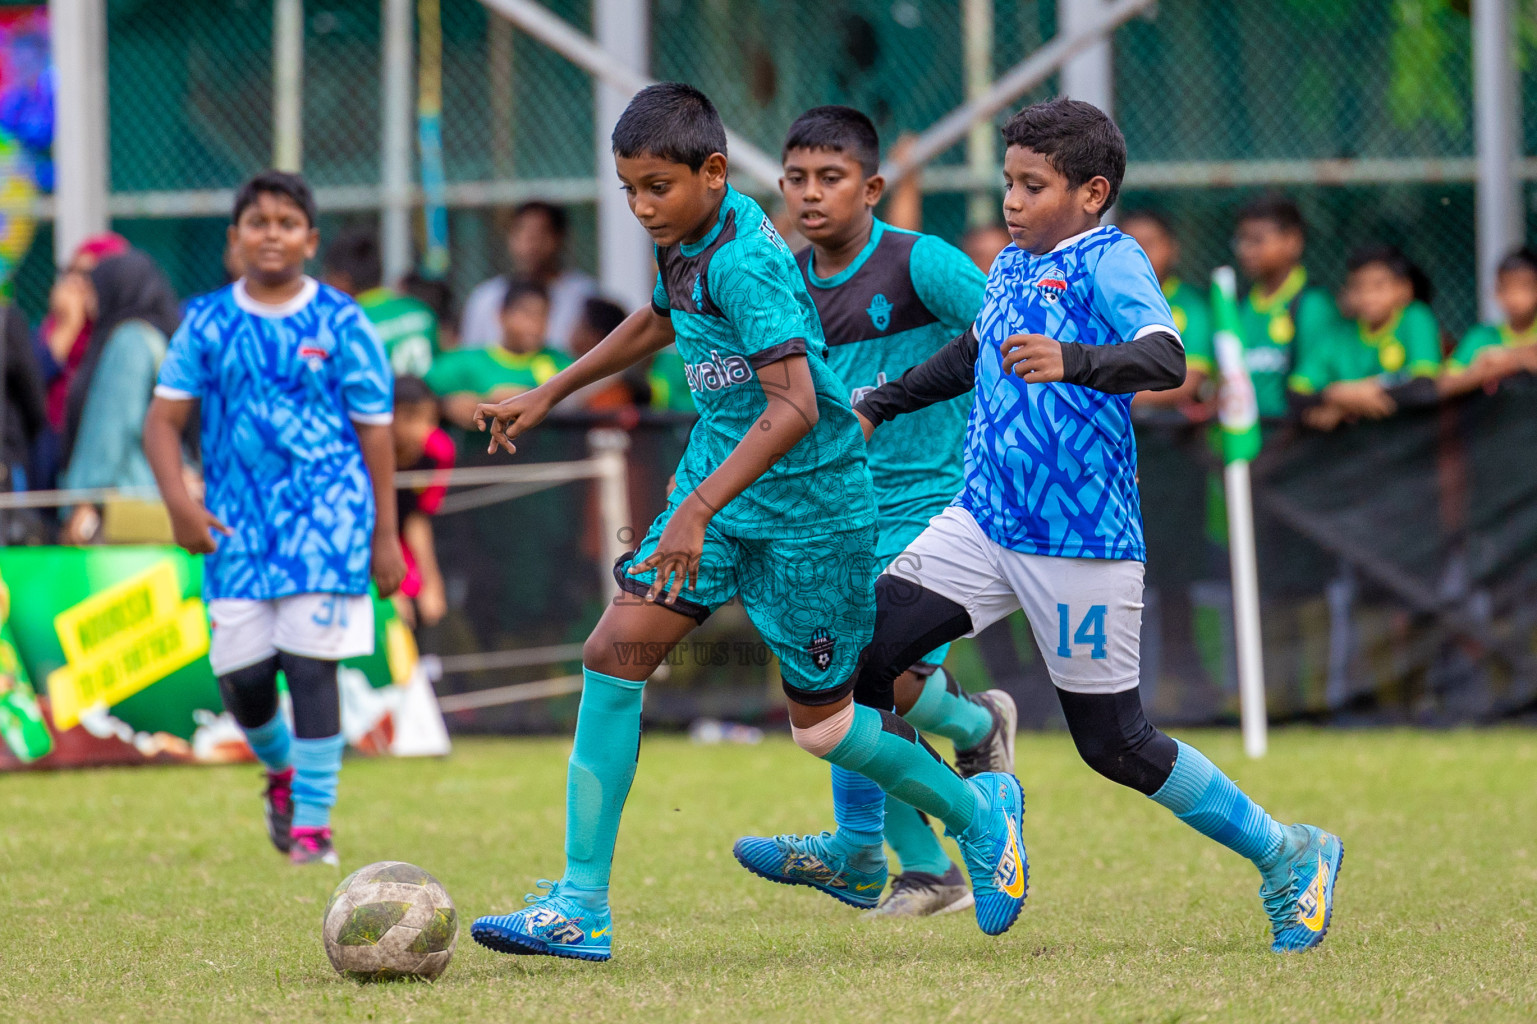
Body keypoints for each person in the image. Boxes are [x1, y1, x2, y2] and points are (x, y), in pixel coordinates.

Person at [468, 82, 1026, 963]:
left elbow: (798, 403)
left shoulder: (745, 261)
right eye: (628, 189)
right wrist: (551, 389)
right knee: (611, 656)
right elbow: (659, 316)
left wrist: (693, 508)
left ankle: (975, 816)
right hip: (725, 495)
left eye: (657, 186)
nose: (641, 206)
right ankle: (580, 905)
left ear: (714, 172)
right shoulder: (689, 242)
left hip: (812, 513)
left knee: (827, 728)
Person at [845, 97, 1343, 954]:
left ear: (1090, 191)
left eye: (1030, 186)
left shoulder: (1109, 262)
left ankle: (1288, 853)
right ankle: (972, 811)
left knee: (1114, 745)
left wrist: (1071, 361)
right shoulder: (1011, 261)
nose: (1010, 200)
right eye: (1007, 181)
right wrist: (882, 402)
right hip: (983, 519)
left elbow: (1165, 356)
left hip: (1077, 543)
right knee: (862, 657)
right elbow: (976, 351)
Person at [739, 104, 1009, 920]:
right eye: (796, 179)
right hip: (836, 511)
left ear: (873, 186)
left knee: (847, 670)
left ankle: (880, 853)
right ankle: (938, 826)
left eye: (831, 177)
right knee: (845, 680)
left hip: (932, 499)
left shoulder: (921, 264)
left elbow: (1008, 333)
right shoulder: (781, 285)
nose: (810, 194)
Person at [143, 170, 405, 868]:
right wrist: (179, 504)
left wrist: (386, 534)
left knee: (310, 668)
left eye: (287, 223)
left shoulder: (342, 321)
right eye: (257, 222)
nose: (271, 234)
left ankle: (313, 828)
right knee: (244, 679)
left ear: (310, 240)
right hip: (235, 530)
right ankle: (281, 771)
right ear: (234, 240)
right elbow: (163, 423)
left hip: (329, 520)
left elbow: (376, 431)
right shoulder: (205, 321)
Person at [58, 250, 182, 544]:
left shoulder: (128, 341)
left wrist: (84, 500)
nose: (90, 300)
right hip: (157, 497)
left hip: (124, 503)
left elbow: (110, 427)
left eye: (96, 289)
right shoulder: (159, 338)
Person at [1288, 244, 1441, 430]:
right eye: (1358, 287)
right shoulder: (1339, 333)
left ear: (1404, 289)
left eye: (1379, 286)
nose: (1368, 296)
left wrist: (1347, 403)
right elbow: (1296, 395)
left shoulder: (1415, 318)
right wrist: (1338, 396)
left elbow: (1423, 389)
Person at [33, 232, 130, 489]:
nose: (75, 284)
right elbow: (32, 382)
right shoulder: (50, 330)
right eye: (71, 273)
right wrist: (68, 326)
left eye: (87, 275)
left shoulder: (125, 337)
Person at [1233, 195, 1339, 426]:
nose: (1246, 250)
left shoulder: (1312, 304)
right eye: (1242, 240)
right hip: (1242, 440)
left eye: (1257, 240)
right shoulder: (1238, 305)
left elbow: (1316, 383)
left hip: (1293, 441)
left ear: (1293, 241)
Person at [425, 279, 571, 428]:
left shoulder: (560, 362)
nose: (535, 325)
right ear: (501, 314)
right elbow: (416, 391)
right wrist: (445, 405)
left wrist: (528, 397)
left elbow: (585, 396)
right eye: (527, 314)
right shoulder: (463, 363)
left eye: (543, 315)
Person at [459, 201, 595, 352]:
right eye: (522, 232)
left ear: (559, 238)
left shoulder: (584, 296)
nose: (531, 243)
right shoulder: (486, 297)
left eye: (541, 233)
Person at [1119, 209, 1214, 414]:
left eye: (1149, 244)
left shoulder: (1191, 307)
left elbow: (1190, 382)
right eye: (1130, 246)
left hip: (1171, 429)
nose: (1140, 253)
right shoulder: (1103, 305)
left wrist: (1113, 396)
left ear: (1172, 249)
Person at [322, 228, 440, 377]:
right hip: (424, 398)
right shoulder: (420, 310)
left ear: (342, 279)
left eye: (328, 277)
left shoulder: (346, 324)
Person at [392, 375, 453, 629]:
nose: (422, 430)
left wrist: (432, 583)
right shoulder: (364, 451)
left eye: (430, 419)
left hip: (399, 542)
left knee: (423, 600)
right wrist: (391, 589)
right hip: (360, 544)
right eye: (409, 418)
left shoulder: (438, 452)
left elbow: (417, 518)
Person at [1441, 247, 1537, 397]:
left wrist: (1513, 358)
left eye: (1524, 286)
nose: (1515, 296)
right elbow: (1444, 385)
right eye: (1506, 287)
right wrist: (1483, 370)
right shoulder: (1481, 337)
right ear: (1496, 292)